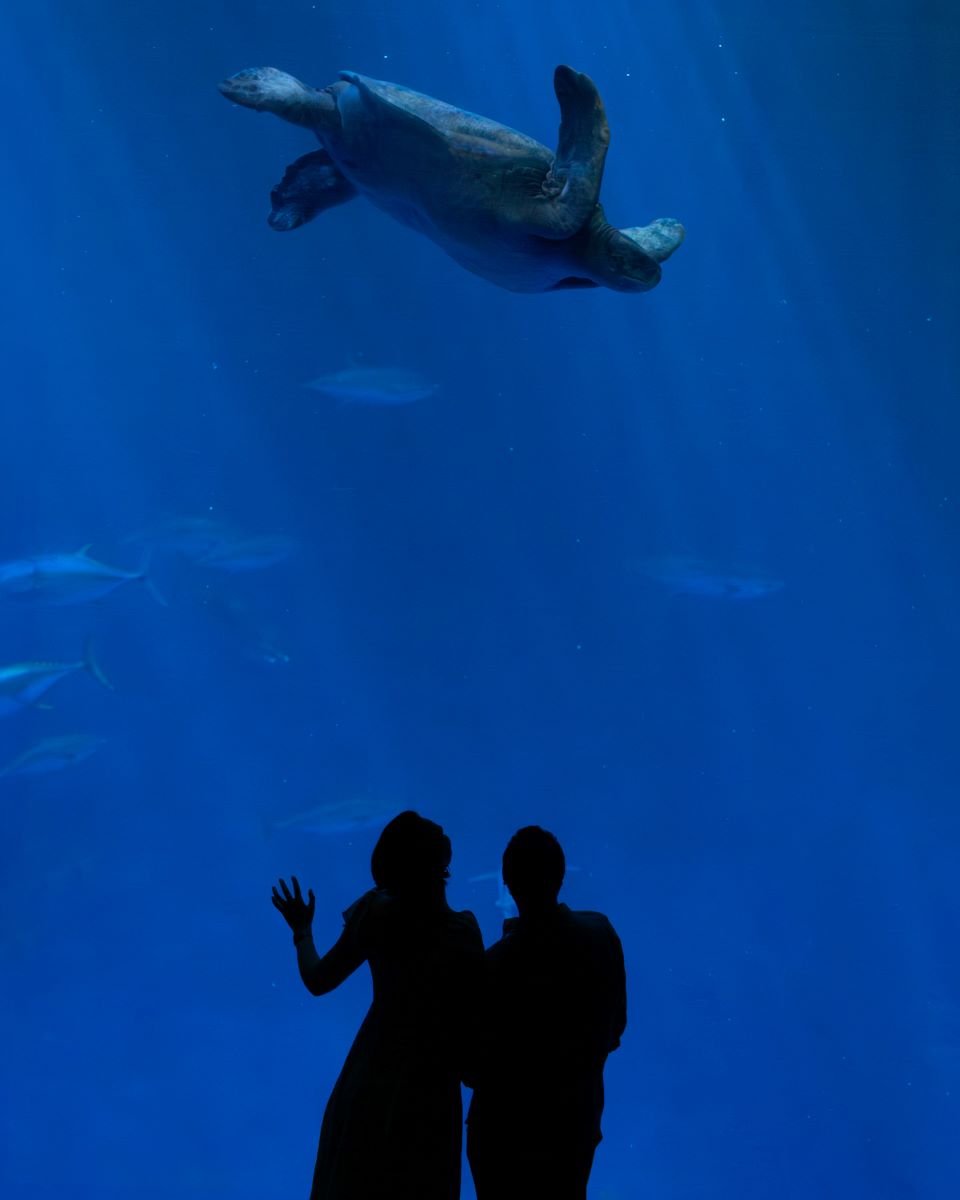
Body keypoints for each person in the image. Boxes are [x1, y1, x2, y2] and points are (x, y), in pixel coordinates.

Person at [272, 811, 484, 1200]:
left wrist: (302, 931)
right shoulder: (465, 933)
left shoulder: (376, 916)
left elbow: (318, 981)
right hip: (433, 1088)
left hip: (373, 1074)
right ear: (442, 866)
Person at [466, 826, 626, 1200]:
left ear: (506, 883)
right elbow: (615, 1029)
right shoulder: (600, 933)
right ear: (561, 874)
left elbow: (471, 1066)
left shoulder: (493, 965)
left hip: (502, 1138)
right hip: (576, 1125)